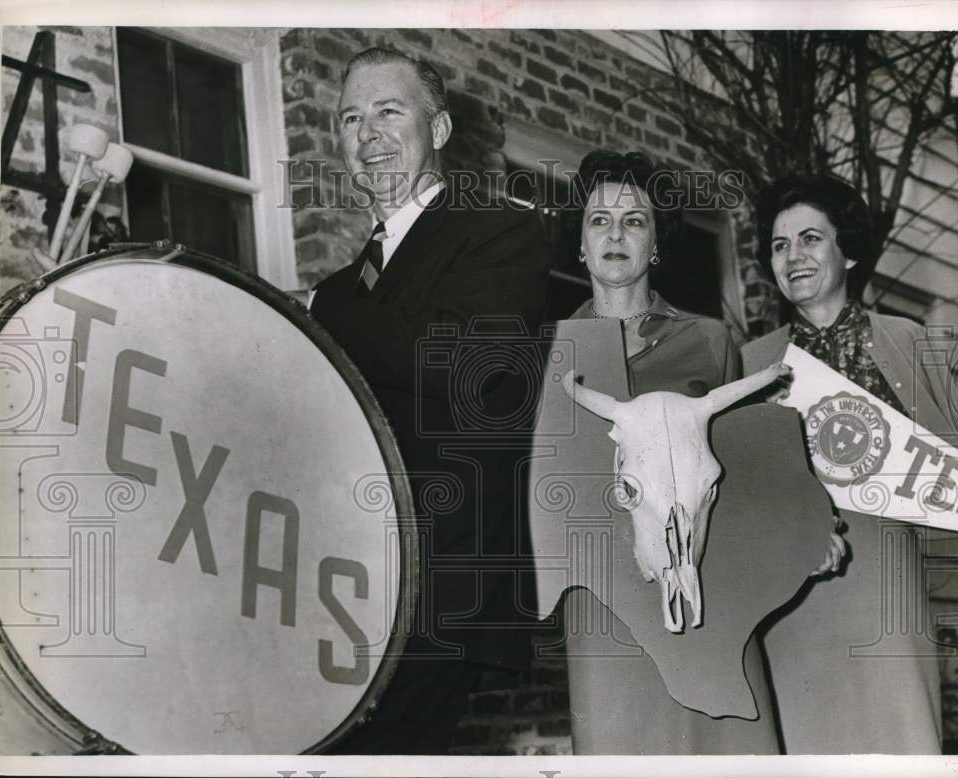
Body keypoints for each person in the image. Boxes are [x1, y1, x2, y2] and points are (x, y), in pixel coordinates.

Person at [309, 47, 550, 754]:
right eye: (351, 117)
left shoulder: (503, 232)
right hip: (344, 585)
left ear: (439, 131)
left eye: (389, 110)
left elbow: (463, 370)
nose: (367, 133)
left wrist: (321, 308)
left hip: (442, 586)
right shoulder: (346, 285)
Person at [557, 150, 834, 754]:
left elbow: (747, 471)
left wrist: (803, 528)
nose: (615, 234)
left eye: (634, 222)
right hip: (605, 610)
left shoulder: (708, 339)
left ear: (656, 242)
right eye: (598, 221)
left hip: (712, 594)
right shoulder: (555, 355)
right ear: (579, 242)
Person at [743, 172, 958, 753]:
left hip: (892, 595)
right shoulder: (749, 366)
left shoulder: (908, 342)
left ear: (849, 252)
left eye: (811, 238)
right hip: (793, 603)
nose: (793, 256)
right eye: (779, 245)